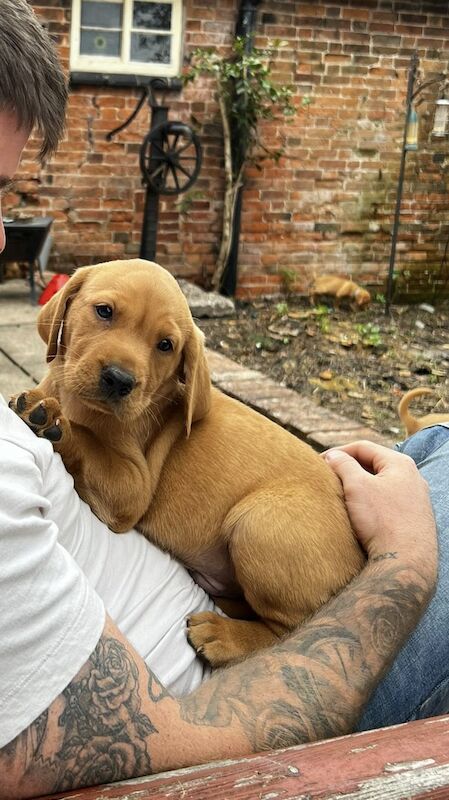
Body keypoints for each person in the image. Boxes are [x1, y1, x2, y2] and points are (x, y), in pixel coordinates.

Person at [0, 1, 445, 797]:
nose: (125, 364)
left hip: (284, 562)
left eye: (161, 348)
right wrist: (404, 559)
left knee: (431, 451)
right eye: (103, 317)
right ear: (61, 316)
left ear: (184, 377)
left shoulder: (128, 399)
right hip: (316, 670)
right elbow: (121, 501)